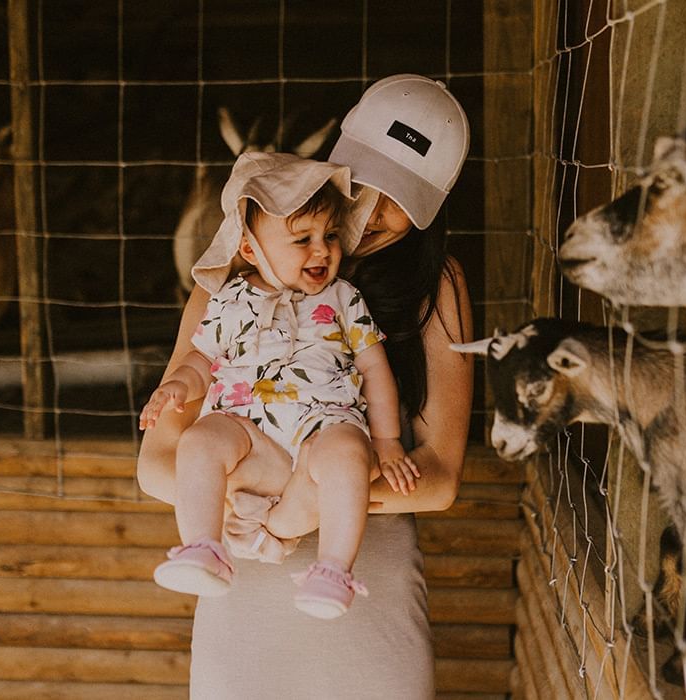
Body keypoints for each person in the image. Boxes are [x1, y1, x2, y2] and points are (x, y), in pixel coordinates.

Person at [136, 74, 473, 699]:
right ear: (335, 165)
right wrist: (273, 505)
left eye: (400, 199)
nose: (374, 212)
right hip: (238, 570)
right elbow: (159, 463)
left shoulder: (436, 283)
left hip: (362, 574)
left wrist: (300, 506)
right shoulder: (235, 270)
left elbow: (441, 479)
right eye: (364, 183)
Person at [139, 152, 420, 620]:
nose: (322, 250)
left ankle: (332, 571)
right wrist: (175, 388)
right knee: (200, 440)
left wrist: (387, 442)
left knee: (350, 454)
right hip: (248, 433)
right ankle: (204, 548)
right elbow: (200, 359)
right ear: (250, 249)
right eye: (302, 239)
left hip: (324, 427)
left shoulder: (344, 298)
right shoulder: (230, 298)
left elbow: (375, 370)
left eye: (330, 236)